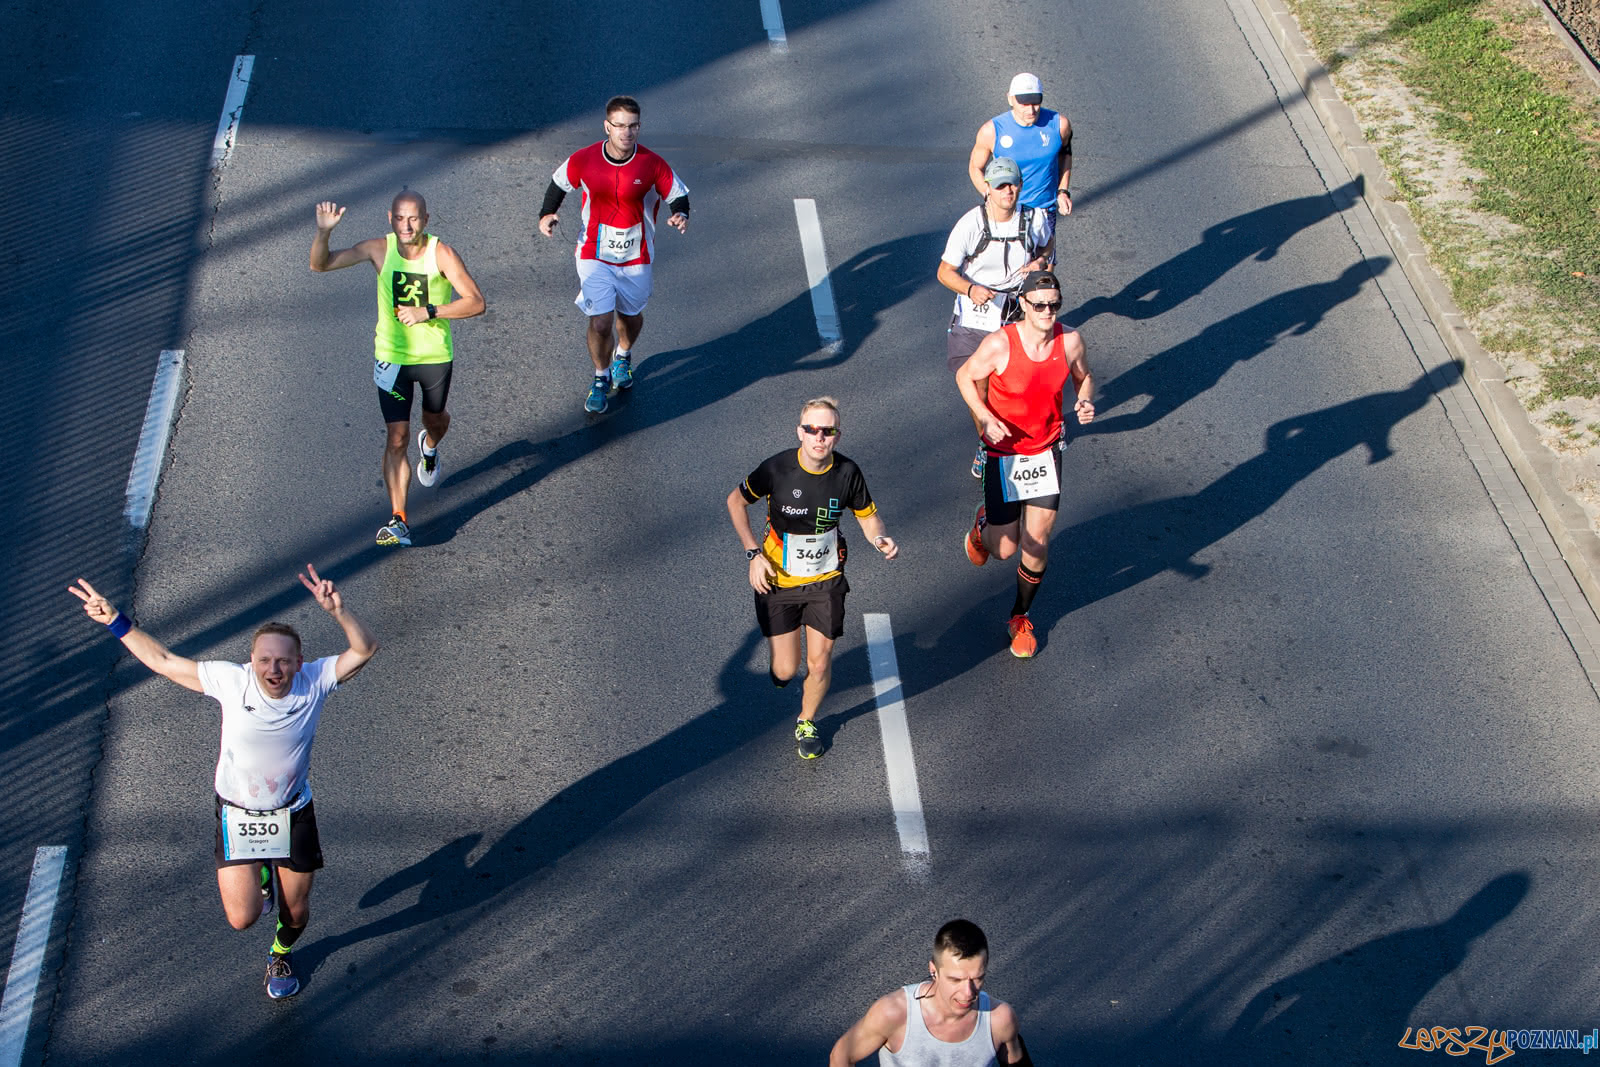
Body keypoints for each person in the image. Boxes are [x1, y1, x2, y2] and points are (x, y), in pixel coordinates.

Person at [68, 566, 378, 1000]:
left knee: (296, 911)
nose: (274, 668)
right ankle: (264, 877)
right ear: (251, 662)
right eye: (265, 660)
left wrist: (339, 612)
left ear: (299, 663)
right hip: (238, 816)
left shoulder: (316, 681)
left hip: (292, 812)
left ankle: (279, 954)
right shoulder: (231, 682)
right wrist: (115, 620)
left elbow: (364, 649)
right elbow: (163, 661)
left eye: (284, 660)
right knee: (242, 917)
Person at [310, 191, 487, 547]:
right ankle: (398, 519)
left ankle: (431, 445)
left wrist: (429, 311)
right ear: (390, 218)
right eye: (400, 219)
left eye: (414, 219)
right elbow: (320, 264)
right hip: (391, 357)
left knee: (435, 420)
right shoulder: (379, 249)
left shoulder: (442, 253)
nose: (407, 226)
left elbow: (476, 302)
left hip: (434, 356)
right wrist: (324, 232)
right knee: (396, 436)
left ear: (426, 219)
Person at [725, 397, 897, 759]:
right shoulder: (776, 469)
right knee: (785, 670)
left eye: (827, 431)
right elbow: (735, 502)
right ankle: (783, 670)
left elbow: (868, 516)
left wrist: (879, 537)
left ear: (837, 436)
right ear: (799, 433)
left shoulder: (848, 473)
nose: (819, 437)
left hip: (826, 578)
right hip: (778, 579)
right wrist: (753, 554)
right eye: (811, 430)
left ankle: (807, 721)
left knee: (820, 661)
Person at [955, 271, 1094, 659]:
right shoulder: (1000, 344)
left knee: (1036, 544)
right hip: (1005, 455)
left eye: (1054, 304)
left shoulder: (1071, 341)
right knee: (1004, 548)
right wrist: (984, 416)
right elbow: (966, 377)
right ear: (1025, 305)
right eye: (1039, 305)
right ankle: (983, 528)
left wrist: (1084, 400)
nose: (1048, 312)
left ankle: (1020, 616)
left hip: (1046, 451)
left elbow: (1084, 377)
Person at [538, 95, 690, 415]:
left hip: (636, 256)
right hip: (594, 252)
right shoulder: (585, 159)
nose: (626, 132)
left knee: (631, 317)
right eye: (619, 126)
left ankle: (623, 356)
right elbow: (559, 182)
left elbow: (677, 193)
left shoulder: (652, 163)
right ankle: (600, 376)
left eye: (633, 126)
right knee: (602, 320)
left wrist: (681, 214)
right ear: (607, 126)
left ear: (639, 127)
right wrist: (547, 213)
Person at [938, 155, 1053, 478]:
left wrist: (1040, 264)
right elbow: (945, 272)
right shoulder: (970, 225)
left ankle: (1044, 434)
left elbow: (1047, 247)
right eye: (1000, 185)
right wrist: (970, 289)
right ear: (987, 188)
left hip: (1018, 312)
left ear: (1020, 186)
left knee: (1028, 382)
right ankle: (987, 442)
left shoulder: (1034, 218)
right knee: (980, 388)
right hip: (976, 317)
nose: (1007, 191)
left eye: (1012, 184)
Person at [830, 919, 1032, 1066]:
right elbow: (842, 1056)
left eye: (977, 978)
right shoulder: (895, 1014)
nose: (968, 992)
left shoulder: (999, 1020)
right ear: (933, 971)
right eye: (956, 979)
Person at [967, 73, 1073, 256]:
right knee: (1006, 270)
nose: (1031, 110)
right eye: (1024, 103)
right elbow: (975, 167)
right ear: (1010, 99)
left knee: (1043, 275)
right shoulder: (992, 131)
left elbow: (1065, 153)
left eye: (1035, 102)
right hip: (1006, 212)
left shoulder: (1059, 124)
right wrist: (989, 195)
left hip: (1044, 209)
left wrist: (1063, 191)